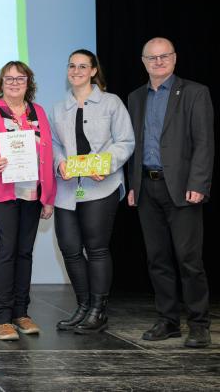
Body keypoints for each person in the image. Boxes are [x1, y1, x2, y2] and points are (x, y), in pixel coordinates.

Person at [126, 37, 214, 348]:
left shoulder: (194, 92)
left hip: (182, 189)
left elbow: (204, 142)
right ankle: (168, 320)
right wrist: (133, 185)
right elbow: (133, 145)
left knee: (189, 259)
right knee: (158, 259)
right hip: (147, 188)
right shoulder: (135, 97)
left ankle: (199, 323)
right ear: (143, 61)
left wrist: (198, 184)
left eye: (164, 56)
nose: (158, 62)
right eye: (152, 57)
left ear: (175, 59)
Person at [0, 60, 56, 341]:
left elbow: (49, 154)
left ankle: (21, 313)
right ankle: (1, 317)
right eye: (9, 79)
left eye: (21, 78)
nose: (15, 83)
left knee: (25, 251)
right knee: (7, 249)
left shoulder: (37, 112)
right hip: (2, 191)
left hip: (32, 192)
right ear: (0, 83)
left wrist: (48, 197)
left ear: (29, 82)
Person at [49, 49, 134, 334]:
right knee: (70, 249)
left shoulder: (111, 103)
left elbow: (125, 141)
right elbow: (53, 145)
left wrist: (106, 164)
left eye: (83, 66)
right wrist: (59, 164)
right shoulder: (59, 107)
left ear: (94, 70)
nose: (76, 71)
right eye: (71, 65)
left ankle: (99, 310)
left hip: (101, 185)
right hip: (68, 188)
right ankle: (83, 306)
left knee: (96, 249)